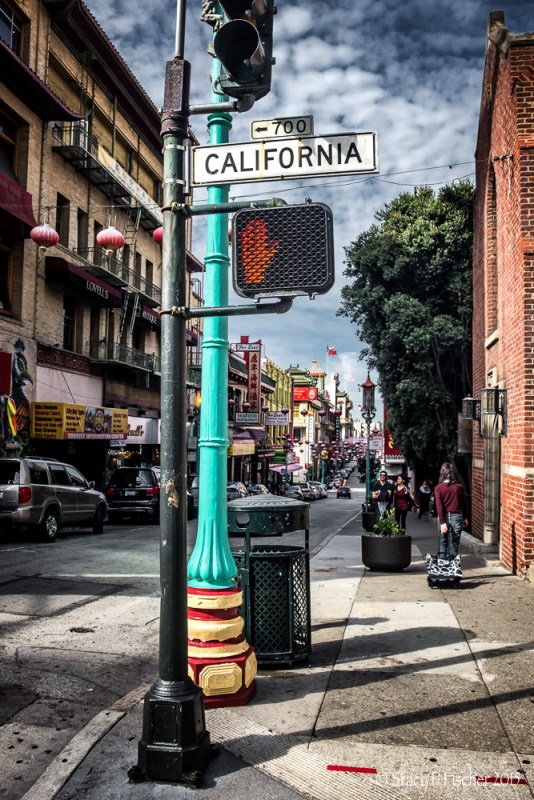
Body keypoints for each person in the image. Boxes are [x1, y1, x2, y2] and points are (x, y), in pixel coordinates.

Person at [434, 462, 469, 558]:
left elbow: (439, 506)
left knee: (443, 542)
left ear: (442, 473)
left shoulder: (438, 488)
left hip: (443, 517)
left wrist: (442, 522)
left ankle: (442, 566)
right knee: (454, 543)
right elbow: (463, 504)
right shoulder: (459, 487)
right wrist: (465, 517)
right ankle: (453, 568)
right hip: (457, 516)